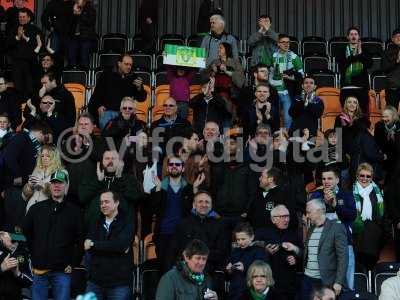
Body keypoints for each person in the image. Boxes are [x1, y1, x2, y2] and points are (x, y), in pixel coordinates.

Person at [23, 170, 83, 300]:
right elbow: (26, 232)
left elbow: (81, 240)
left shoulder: (75, 212)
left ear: (66, 186)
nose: (57, 186)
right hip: (39, 269)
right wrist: (34, 255)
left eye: (60, 183)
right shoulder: (36, 209)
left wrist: (73, 263)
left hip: (62, 271)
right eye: (54, 183)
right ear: (49, 186)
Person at [309, 167, 357, 290]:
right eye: (324, 178)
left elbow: (352, 216)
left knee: (346, 283)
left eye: (330, 178)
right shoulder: (316, 195)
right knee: (322, 287)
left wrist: (335, 205)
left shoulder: (346, 194)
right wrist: (324, 203)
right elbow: (312, 217)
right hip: (322, 245)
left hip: (345, 243)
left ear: (337, 180)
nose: (326, 181)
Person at [84, 190, 134, 299]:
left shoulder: (127, 222)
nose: (103, 205)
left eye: (106, 202)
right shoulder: (96, 222)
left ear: (116, 203)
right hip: (95, 282)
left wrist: (95, 244)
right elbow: (87, 246)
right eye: (101, 202)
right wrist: (112, 247)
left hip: (119, 284)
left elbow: (121, 246)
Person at [151, 155, 194, 274]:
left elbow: (193, 211)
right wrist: (158, 189)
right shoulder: (159, 187)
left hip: (184, 235)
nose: (174, 166)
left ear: (183, 168)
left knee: (185, 271)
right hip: (163, 234)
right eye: (171, 164)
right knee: (164, 271)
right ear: (167, 168)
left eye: (177, 164)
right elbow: (153, 209)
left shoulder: (189, 189)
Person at [79, 149, 141, 227]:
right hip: (94, 230)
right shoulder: (92, 178)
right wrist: (99, 181)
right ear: (101, 162)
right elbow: (83, 197)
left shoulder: (129, 179)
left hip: (121, 230)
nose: (110, 161)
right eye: (107, 158)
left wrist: (119, 179)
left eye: (114, 159)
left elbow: (136, 196)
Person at [170, 190, 228, 273]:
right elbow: (175, 249)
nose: (204, 205)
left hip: (210, 269)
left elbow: (222, 252)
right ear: (194, 205)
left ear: (211, 206)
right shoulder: (183, 224)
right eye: (200, 202)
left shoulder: (220, 225)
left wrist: (201, 258)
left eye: (207, 202)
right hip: (186, 268)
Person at [301, 199, 348, 300]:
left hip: (326, 281)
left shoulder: (336, 228)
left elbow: (343, 257)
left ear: (319, 211)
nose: (307, 216)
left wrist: (338, 282)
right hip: (308, 279)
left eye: (309, 212)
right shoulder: (311, 229)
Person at [255, 205, 302, 300]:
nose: (287, 220)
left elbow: (302, 253)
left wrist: (295, 257)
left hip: (288, 283)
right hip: (268, 281)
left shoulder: (293, 234)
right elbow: (252, 249)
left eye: (288, 216)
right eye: (283, 216)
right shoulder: (262, 232)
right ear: (273, 219)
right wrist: (265, 250)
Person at [88, 54, 147, 129]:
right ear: (119, 64)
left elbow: (142, 98)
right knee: (109, 128)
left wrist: (139, 88)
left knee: (134, 128)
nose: (129, 67)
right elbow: (96, 95)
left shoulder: (134, 77)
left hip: (126, 112)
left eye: (130, 65)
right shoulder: (106, 75)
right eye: (126, 64)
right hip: (109, 112)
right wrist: (99, 105)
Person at [352, 163, 384, 271]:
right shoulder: (350, 191)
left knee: (370, 267)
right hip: (356, 237)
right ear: (357, 176)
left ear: (371, 178)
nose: (364, 178)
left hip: (373, 238)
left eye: (368, 176)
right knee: (357, 268)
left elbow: (383, 215)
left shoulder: (378, 193)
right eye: (362, 175)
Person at [269, 34, 304, 129]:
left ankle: (287, 141)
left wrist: (291, 78)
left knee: (288, 118)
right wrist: (270, 83)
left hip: (287, 92)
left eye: (288, 42)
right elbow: (270, 73)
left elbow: (302, 76)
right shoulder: (274, 56)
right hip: (275, 91)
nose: (286, 44)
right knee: (273, 117)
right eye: (283, 42)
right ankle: (275, 139)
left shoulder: (294, 57)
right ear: (278, 44)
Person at [7, 8, 42, 100]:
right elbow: (7, 44)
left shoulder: (36, 30)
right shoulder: (13, 29)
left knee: (30, 88)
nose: (21, 19)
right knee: (17, 89)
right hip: (17, 64)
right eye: (20, 17)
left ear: (29, 18)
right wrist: (18, 37)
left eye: (23, 17)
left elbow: (39, 46)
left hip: (30, 64)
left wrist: (25, 38)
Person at [226, 222, 268, 300]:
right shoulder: (235, 252)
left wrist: (245, 268)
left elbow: (262, 271)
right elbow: (228, 275)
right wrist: (229, 270)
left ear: (252, 237)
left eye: (243, 239)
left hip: (251, 291)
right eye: (238, 240)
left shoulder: (259, 251)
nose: (241, 242)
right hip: (234, 291)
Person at [22, 145, 67, 212]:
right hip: (30, 209)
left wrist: (42, 184)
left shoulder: (61, 172)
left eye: (48, 156)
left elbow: (59, 196)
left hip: (48, 212)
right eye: (42, 156)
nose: (44, 158)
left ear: (54, 157)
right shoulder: (37, 169)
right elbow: (24, 196)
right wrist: (29, 187)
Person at [337, 26, 372, 113]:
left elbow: (369, 64)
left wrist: (361, 54)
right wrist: (356, 56)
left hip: (361, 87)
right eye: (351, 34)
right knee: (346, 114)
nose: (353, 36)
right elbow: (342, 66)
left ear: (358, 37)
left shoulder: (365, 50)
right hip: (346, 87)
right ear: (348, 37)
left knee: (363, 114)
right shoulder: (342, 50)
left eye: (355, 34)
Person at [0, 230, 33, 300]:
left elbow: (30, 281)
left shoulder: (24, 254)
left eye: (5, 234)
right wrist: (1, 268)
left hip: (16, 296)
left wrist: (17, 273)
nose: (2, 236)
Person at [67, 0, 96, 69]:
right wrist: (73, 14)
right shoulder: (73, 8)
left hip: (86, 37)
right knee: (71, 57)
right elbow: (68, 23)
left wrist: (80, 14)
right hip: (73, 37)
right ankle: (72, 73)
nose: (76, 1)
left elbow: (91, 22)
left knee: (84, 58)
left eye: (78, 1)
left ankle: (84, 76)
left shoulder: (90, 9)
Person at [374, 106, 400, 181]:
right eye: (383, 116)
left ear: (394, 117)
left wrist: (394, 136)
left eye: (387, 117)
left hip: (396, 157)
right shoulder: (379, 126)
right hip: (384, 158)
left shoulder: (398, 127)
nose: (384, 119)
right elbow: (377, 143)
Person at [382, 28, 400, 109]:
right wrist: (396, 61)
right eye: (397, 36)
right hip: (393, 87)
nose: (399, 38)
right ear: (392, 39)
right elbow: (384, 68)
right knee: (392, 112)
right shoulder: (387, 52)